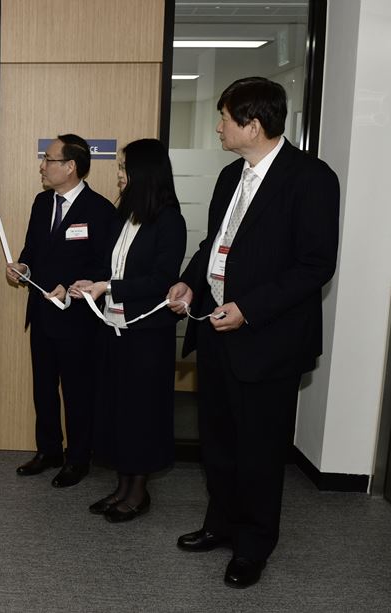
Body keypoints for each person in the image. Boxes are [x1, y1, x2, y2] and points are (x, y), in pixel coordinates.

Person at [166, 77, 340, 588]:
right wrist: (188, 282)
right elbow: (213, 244)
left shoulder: (310, 178)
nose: (218, 127)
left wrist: (250, 307)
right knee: (218, 442)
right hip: (217, 332)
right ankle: (220, 525)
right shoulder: (229, 176)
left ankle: (254, 545)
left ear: (253, 124)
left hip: (269, 339)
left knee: (260, 450)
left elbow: (314, 266)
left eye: (224, 118)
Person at [67, 138, 186, 522]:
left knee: (141, 416)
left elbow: (161, 279)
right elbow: (110, 265)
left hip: (146, 335)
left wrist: (111, 287)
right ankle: (122, 487)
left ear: (143, 173)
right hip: (114, 329)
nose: (118, 176)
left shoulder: (169, 219)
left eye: (123, 169)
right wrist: (91, 283)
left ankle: (139, 493)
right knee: (117, 412)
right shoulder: (126, 215)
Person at [6, 134, 116, 488]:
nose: (42, 166)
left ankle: (78, 457)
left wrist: (73, 289)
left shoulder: (100, 210)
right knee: (43, 388)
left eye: (49, 160)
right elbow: (32, 250)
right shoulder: (42, 203)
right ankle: (49, 450)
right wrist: (22, 268)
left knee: (77, 391)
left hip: (79, 320)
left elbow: (106, 268)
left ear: (71, 166)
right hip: (41, 313)